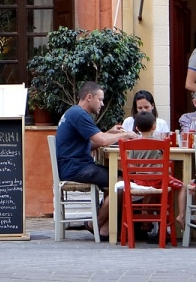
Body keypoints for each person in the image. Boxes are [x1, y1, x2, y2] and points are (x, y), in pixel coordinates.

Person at [56, 81, 138, 241]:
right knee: (121, 182)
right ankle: (96, 224)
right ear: (89, 97)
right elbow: (101, 140)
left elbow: (92, 142)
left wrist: (109, 132)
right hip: (76, 168)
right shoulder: (80, 114)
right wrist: (125, 135)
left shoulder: (74, 113)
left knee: (117, 181)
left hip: (74, 166)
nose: (102, 103)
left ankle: (107, 227)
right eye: (100, 99)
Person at [131, 111, 186, 229]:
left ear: (136, 128)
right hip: (158, 180)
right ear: (154, 126)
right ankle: (181, 215)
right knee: (182, 187)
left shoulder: (132, 144)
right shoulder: (160, 143)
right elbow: (165, 163)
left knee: (148, 187)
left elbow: (131, 165)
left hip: (140, 182)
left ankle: (145, 212)